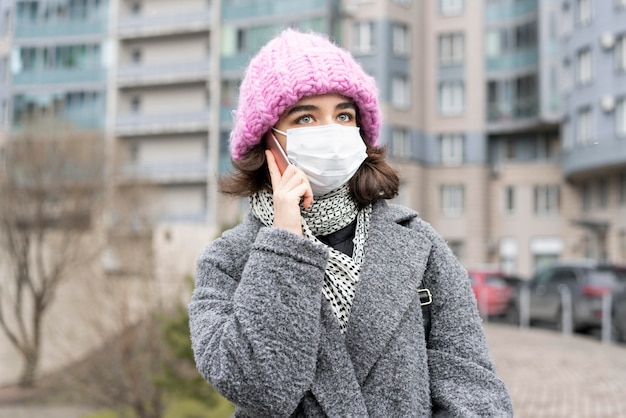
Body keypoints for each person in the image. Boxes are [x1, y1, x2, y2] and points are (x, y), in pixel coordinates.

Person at [188, 28, 513, 417]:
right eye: (305, 117)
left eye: (344, 115)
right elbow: (262, 387)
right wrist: (284, 242)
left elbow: (475, 392)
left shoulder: (420, 245)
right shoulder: (227, 262)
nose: (332, 131)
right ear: (266, 141)